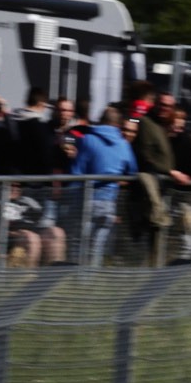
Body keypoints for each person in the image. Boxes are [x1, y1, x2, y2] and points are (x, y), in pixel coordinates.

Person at [70, 107, 136, 267]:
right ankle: (91, 278)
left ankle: (75, 277)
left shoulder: (87, 139)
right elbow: (132, 170)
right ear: (118, 124)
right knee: (97, 246)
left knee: (78, 242)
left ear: (101, 120)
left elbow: (77, 172)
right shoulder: (124, 144)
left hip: (86, 199)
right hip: (108, 202)